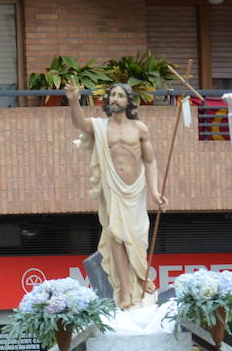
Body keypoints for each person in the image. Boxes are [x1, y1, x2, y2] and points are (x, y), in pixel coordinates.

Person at [63, 80, 166, 309]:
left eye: (120, 95)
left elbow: (150, 161)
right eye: (112, 95)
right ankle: (126, 294)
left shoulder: (139, 128)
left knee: (138, 240)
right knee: (116, 237)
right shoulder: (101, 126)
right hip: (113, 188)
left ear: (128, 101)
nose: (115, 99)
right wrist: (73, 101)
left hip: (135, 191)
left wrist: (155, 190)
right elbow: (80, 123)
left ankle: (141, 281)